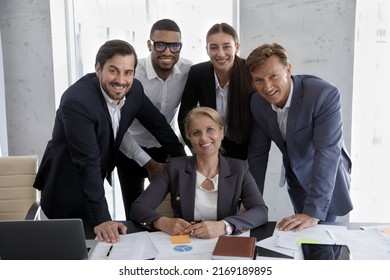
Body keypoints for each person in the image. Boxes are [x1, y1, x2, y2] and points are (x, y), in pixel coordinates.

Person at [33, 39, 186, 243]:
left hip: (94, 179)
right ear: (98, 69)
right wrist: (104, 219)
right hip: (65, 187)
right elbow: (88, 163)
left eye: (128, 72)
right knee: (71, 253)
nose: (121, 80)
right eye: (113, 71)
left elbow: (159, 125)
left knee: (102, 250)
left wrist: (185, 164)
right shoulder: (77, 102)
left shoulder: (134, 91)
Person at [245, 43, 353, 232]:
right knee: (301, 238)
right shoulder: (257, 103)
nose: (267, 87)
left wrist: (313, 213)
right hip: (296, 177)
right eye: (259, 80)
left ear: (288, 69)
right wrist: (252, 205)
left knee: (323, 239)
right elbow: (257, 154)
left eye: (273, 76)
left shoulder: (323, 94)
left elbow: (327, 152)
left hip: (326, 178)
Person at [130, 107, 268, 239]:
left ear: (221, 132)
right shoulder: (175, 167)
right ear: (189, 137)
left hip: (224, 241)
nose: (204, 138)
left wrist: (224, 226)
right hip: (184, 243)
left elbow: (260, 212)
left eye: (210, 130)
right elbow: (138, 208)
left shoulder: (240, 168)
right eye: (196, 133)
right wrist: (161, 222)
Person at [116, 19, 192, 220]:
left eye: (174, 46)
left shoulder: (188, 71)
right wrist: (147, 163)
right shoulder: (132, 73)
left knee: (181, 208)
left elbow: (192, 114)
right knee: (134, 213)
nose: (167, 52)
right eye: (160, 45)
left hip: (165, 146)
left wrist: (179, 146)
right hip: (129, 148)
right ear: (149, 45)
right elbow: (117, 125)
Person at [177, 22, 254, 160]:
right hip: (209, 146)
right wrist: (198, 150)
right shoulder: (197, 73)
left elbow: (258, 122)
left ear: (237, 48)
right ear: (207, 50)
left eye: (227, 47)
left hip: (244, 147)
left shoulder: (250, 72)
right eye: (213, 47)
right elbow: (184, 116)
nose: (220, 53)